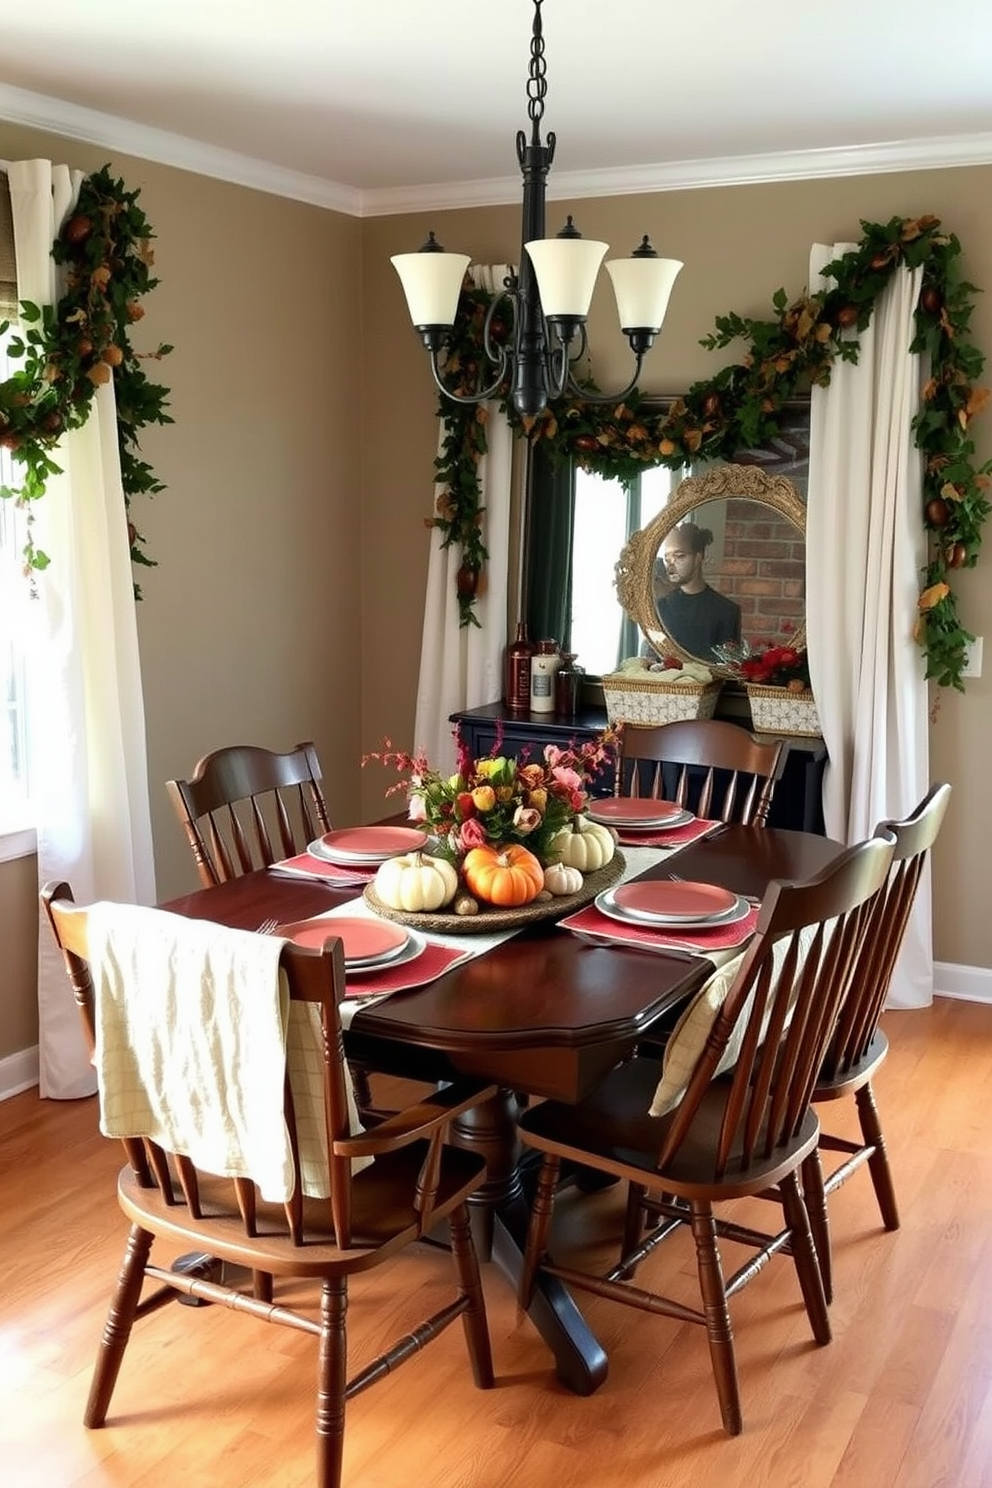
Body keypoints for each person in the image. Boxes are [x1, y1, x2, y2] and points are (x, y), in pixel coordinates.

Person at [654, 522, 742, 659]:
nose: (671, 565)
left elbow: (728, 668)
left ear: (698, 557)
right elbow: (651, 658)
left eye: (679, 556)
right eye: (667, 558)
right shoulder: (661, 607)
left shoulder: (726, 611)